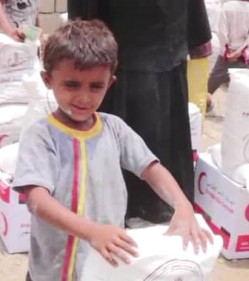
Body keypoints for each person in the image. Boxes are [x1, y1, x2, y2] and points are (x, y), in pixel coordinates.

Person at [15, 20, 212, 281]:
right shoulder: (41, 136)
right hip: (53, 276)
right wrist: (92, 232)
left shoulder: (114, 129)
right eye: (71, 85)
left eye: (96, 86)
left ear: (110, 83)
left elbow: (151, 168)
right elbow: (37, 201)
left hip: (104, 265)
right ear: (47, 80)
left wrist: (182, 205)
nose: (84, 98)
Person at [69, 0, 213, 225]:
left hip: (164, 45)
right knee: (114, 128)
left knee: (156, 132)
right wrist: (78, 38)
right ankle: (117, 209)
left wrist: (197, 35)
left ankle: (159, 206)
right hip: (116, 44)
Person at [206, 0, 249, 102]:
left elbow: (222, 31)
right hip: (244, 56)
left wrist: (228, 51)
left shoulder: (226, 7)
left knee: (210, 87)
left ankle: (201, 107)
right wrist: (240, 51)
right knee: (240, 90)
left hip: (226, 56)